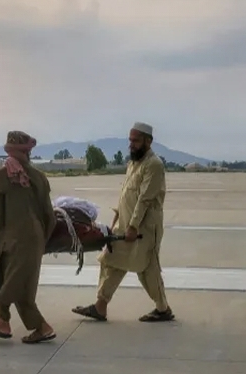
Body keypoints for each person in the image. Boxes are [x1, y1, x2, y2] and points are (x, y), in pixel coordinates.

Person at [72, 122, 174, 322]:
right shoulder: (133, 163)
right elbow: (125, 196)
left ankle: (163, 309)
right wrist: (116, 222)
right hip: (125, 225)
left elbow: (145, 199)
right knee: (110, 260)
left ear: (148, 141)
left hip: (145, 228)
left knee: (147, 269)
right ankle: (100, 306)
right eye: (130, 140)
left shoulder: (154, 165)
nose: (132, 144)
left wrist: (133, 227)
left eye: (136, 140)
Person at [0, 130, 57, 344]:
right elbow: (50, 216)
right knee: (0, 277)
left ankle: (43, 328)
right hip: (33, 238)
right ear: (28, 152)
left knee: (14, 288)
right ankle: (3, 323)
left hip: (11, 240)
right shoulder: (39, 177)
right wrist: (42, 241)